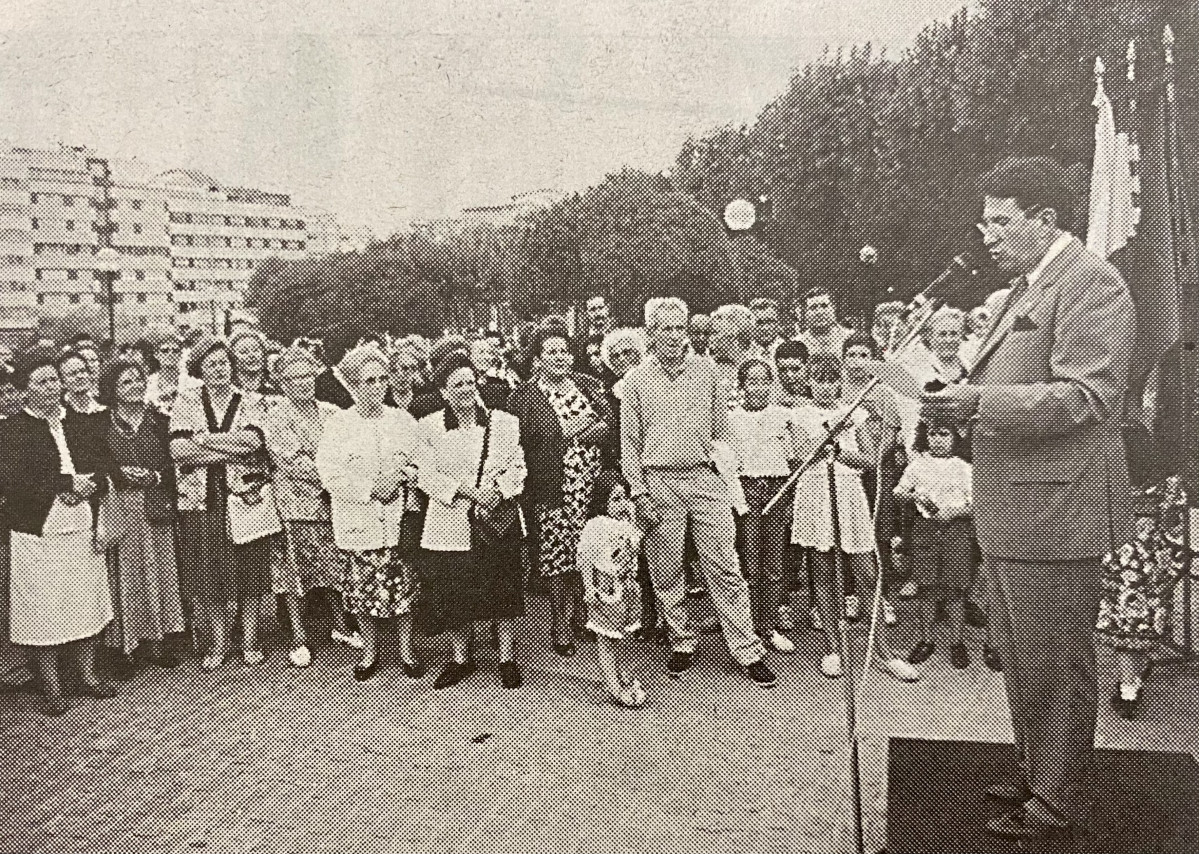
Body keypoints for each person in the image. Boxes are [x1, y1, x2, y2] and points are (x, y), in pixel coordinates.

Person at [921, 156, 1134, 841]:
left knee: (1054, 658)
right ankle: (1037, 768)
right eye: (983, 220)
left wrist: (977, 401)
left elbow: (1087, 396)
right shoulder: (1026, 286)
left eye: (999, 220)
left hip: (1057, 507)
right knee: (1021, 653)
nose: (985, 234)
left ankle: (1056, 798)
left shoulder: (1090, 284)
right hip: (1017, 503)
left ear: (1043, 220)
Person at [620, 296, 777, 688]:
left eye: (679, 329)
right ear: (651, 335)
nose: (673, 336)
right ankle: (682, 641)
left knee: (725, 567)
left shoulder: (707, 371)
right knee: (667, 569)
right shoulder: (636, 380)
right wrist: (639, 493)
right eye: (665, 329)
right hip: (658, 482)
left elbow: (722, 432)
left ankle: (747, 649)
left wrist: (724, 475)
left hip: (705, 480)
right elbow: (630, 444)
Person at [2, 346, 116, 716]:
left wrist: (90, 484)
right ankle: (51, 687)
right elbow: (15, 478)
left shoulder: (76, 422)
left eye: (55, 380)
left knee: (84, 601)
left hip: (80, 523)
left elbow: (102, 463)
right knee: (43, 608)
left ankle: (87, 675)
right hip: (38, 530)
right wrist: (66, 483)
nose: (51, 387)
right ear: (26, 389)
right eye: (42, 381)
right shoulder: (12, 428)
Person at [789, 353, 917, 682]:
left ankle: (886, 653)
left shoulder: (853, 413)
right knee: (824, 570)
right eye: (819, 380)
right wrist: (823, 439)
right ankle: (833, 649)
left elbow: (869, 462)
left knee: (866, 572)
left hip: (847, 493)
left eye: (832, 380)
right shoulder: (799, 415)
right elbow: (799, 458)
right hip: (814, 494)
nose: (826, 387)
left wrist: (840, 450)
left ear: (840, 383)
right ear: (809, 383)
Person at [413, 352, 527, 691]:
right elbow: (426, 476)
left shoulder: (504, 422)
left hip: (496, 521)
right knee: (455, 592)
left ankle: (506, 659)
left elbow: (518, 468)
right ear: (444, 392)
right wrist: (470, 493)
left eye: (469, 381)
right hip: (449, 524)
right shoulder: (429, 426)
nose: (465, 389)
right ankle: (462, 658)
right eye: (456, 384)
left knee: (502, 591)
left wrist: (499, 492)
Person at [316, 346, 423, 681]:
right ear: (353, 385)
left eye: (381, 380)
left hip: (397, 519)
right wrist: (369, 489)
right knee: (363, 592)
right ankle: (369, 651)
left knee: (402, 588)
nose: (376, 387)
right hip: (359, 519)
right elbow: (329, 472)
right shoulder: (340, 425)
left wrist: (401, 475)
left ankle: (406, 650)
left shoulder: (402, 420)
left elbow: (421, 459)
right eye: (367, 381)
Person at [169, 336, 276, 670]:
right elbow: (178, 451)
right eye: (211, 364)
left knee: (250, 571)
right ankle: (217, 644)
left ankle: (250, 641)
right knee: (210, 574)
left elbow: (254, 440)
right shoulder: (186, 400)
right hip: (201, 501)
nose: (219, 369)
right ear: (200, 369)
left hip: (245, 497)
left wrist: (203, 440)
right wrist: (229, 449)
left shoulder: (252, 400)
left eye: (224, 362)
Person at [509, 327, 612, 656]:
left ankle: (587, 613)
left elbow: (609, 424)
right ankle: (560, 621)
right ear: (538, 359)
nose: (559, 358)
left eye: (564, 351)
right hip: (551, 487)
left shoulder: (588, 384)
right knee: (557, 556)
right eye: (550, 352)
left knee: (591, 549)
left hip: (591, 486)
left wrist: (568, 432)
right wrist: (575, 429)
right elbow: (526, 443)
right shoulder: (522, 396)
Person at [265, 346, 360, 668]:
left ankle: (340, 625)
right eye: (293, 378)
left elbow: (347, 453)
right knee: (294, 572)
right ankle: (298, 636)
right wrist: (332, 475)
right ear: (282, 383)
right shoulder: (276, 416)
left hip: (332, 503)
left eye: (306, 375)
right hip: (294, 505)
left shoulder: (332, 411)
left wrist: (336, 472)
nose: (301, 382)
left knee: (335, 566)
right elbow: (291, 461)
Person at [97, 359, 184, 674]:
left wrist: (155, 478)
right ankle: (125, 646)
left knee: (158, 573)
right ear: (113, 390)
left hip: (154, 505)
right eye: (125, 382)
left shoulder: (160, 420)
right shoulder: (101, 423)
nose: (134, 385)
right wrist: (119, 474)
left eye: (138, 380)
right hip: (119, 507)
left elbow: (175, 462)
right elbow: (95, 462)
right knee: (124, 577)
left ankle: (157, 641)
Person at [1095, 476, 1188, 719]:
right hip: (1151, 555)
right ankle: (1130, 685)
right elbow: (1176, 524)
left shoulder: (1109, 452)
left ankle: (1129, 689)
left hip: (1122, 550)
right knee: (1142, 620)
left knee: (1130, 623)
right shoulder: (1168, 462)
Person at [727, 358, 798, 654]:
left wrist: (790, 495)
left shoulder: (782, 416)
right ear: (742, 386)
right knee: (749, 563)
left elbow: (793, 459)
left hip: (777, 489)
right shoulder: (731, 418)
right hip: (746, 490)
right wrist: (738, 499)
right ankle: (747, 627)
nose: (758, 388)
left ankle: (767, 626)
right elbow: (728, 464)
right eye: (752, 382)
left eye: (764, 381)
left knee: (773, 564)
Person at [894, 421, 974, 668]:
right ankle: (926, 640)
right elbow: (898, 492)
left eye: (944, 434)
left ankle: (957, 642)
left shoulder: (964, 468)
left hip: (956, 532)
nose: (938, 439)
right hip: (925, 531)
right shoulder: (918, 465)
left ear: (955, 438)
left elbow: (975, 506)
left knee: (955, 589)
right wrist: (913, 494)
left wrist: (955, 512)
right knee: (926, 588)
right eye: (933, 434)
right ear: (924, 436)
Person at [577, 474, 647, 709]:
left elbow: (636, 548)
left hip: (627, 589)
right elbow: (585, 558)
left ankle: (624, 674)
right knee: (606, 639)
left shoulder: (628, 525)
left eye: (625, 498)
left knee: (625, 634)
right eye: (616, 499)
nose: (622, 504)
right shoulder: (596, 525)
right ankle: (613, 686)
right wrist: (589, 588)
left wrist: (631, 518)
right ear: (602, 501)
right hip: (605, 590)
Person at [145, 331, 199, 416]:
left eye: (175, 351)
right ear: (156, 354)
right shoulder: (148, 384)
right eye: (165, 350)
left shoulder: (193, 384)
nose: (170, 354)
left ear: (181, 354)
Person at [796, 288, 852, 359]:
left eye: (824, 306)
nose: (819, 312)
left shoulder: (850, 339)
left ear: (834, 309)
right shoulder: (798, 344)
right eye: (813, 307)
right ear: (805, 313)